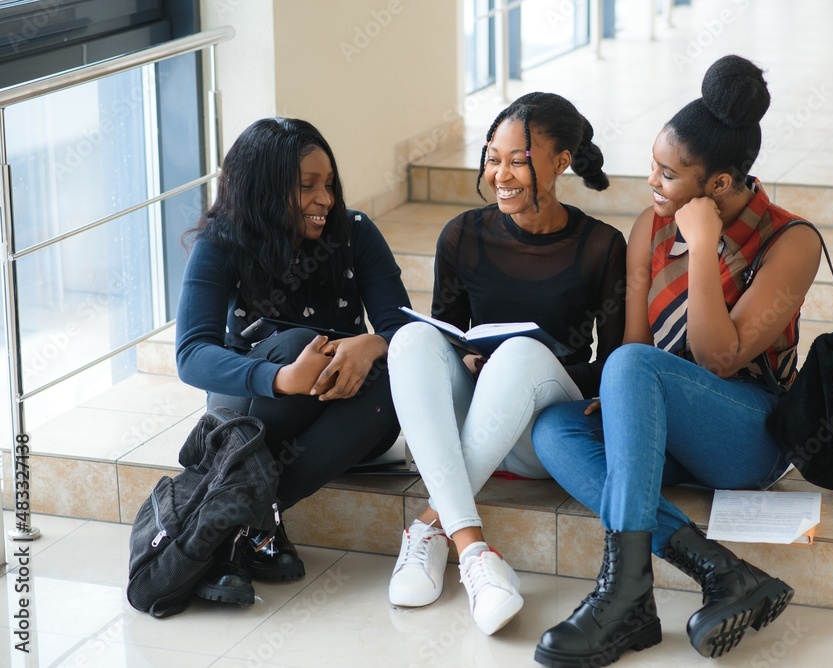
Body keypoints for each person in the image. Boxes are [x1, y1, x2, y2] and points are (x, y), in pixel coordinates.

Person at [531, 55, 823, 666]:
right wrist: (615, 405)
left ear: (717, 184)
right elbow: (632, 347)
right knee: (556, 428)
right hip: (663, 428)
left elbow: (719, 357)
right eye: (653, 168)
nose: (653, 185)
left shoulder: (790, 241)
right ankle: (720, 570)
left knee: (633, 368)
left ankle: (623, 595)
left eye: (668, 176)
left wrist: (700, 246)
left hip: (748, 432)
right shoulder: (649, 226)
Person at [386, 92, 627, 635]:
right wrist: (468, 357)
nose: (501, 174)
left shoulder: (600, 245)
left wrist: (523, 362)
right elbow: (446, 339)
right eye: (494, 158)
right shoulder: (462, 236)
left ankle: (429, 526)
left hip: (542, 425)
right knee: (411, 342)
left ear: (560, 161)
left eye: (518, 159)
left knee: (519, 354)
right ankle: (473, 553)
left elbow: (611, 366)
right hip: (479, 423)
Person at [175, 117, 411, 603]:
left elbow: (404, 328)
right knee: (295, 341)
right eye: (307, 187)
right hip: (253, 411)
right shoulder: (222, 241)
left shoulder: (355, 233)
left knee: (393, 375)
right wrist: (280, 377)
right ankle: (253, 529)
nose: (325, 198)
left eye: (328, 184)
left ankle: (234, 522)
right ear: (264, 189)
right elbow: (192, 354)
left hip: (345, 418)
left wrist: (372, 343)